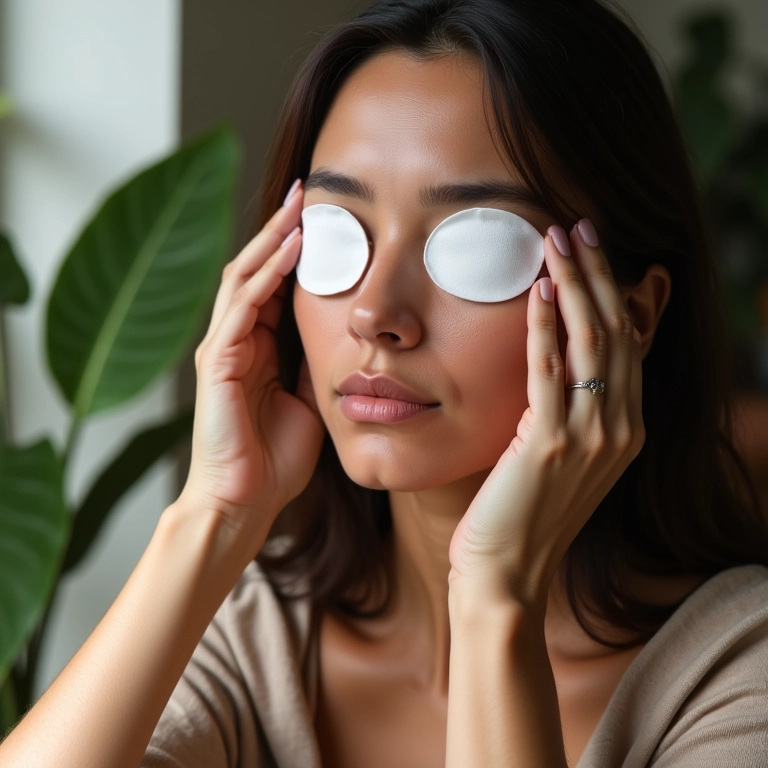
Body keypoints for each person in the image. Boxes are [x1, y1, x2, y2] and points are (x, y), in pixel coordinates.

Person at [2, 0, 768, 766]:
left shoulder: (735, 678)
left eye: (472, 246)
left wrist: (496, 597)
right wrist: (215, 515)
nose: (375, 313)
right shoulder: (262, 640)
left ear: (627, 315)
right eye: (337, 233)